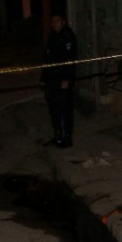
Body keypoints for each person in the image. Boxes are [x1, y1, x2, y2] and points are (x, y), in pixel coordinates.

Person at [41, 15, 77, 148]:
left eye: (57, 21)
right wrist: (43, 78)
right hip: (52, 80)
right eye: (53, 21)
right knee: (54, 108)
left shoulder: (67, 36)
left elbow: (70, 59)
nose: (54, 23)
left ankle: (67, 137)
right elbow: (47, 59)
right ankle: (57, 135)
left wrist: (67, 79)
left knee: (66, 108)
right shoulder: (52, 37)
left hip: (63, 79)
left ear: (63, 22)